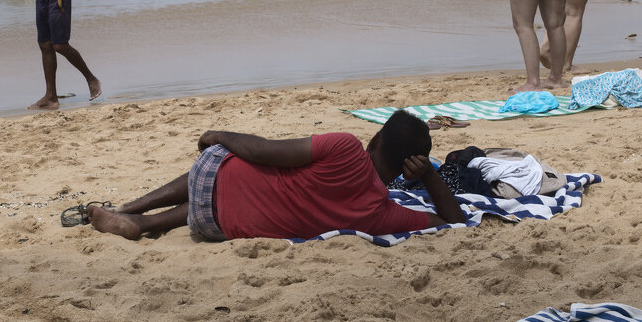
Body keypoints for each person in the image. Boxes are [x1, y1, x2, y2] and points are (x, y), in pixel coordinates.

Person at [83, 111, 466, 241]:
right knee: (229, 199)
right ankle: (141, 222)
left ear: (377, 138)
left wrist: (218, 135)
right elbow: (454, 221)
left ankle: (129, 208)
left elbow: (266, 150)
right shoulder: (384, 216)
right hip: (213, 227)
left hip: (211, 180)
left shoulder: (347, 147)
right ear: (407, 167)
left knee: (232, 161)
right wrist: (430, 177)